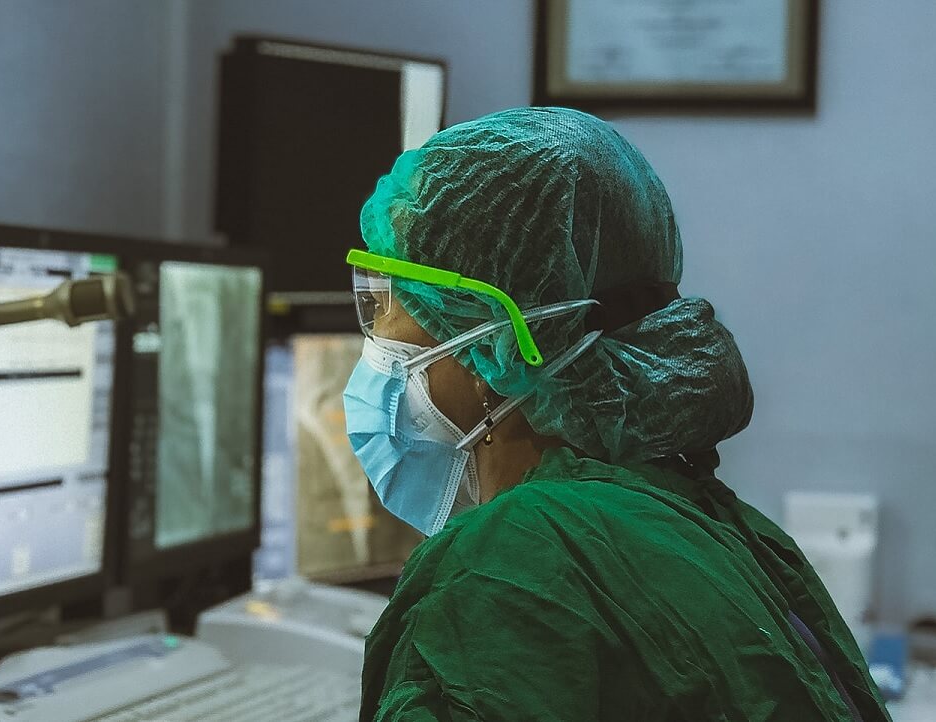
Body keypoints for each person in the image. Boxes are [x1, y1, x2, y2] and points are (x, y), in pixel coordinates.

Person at [341, 108, 890, 721]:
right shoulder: (703, 522)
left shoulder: (511, 564)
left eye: (385, 304)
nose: (376, 336)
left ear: (489, 342)